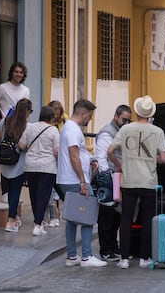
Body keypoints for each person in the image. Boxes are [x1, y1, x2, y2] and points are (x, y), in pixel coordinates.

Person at [107, 95, 165, 269]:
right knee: (148, 220)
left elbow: (109, 151)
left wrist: (120, 165)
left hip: (129, 180)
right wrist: (150, 158)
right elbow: (163, 158)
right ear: (150, 114)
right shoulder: (158, 132)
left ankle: (124, 258)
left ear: (137, 111)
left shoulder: (125, 129)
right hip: (148, 181)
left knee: (126, 219)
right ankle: (144, 257)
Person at [57, 98, 107, 268]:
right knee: (88, 215)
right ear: (83, 113)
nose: (90, 119)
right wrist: (82, 181)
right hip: (75, 180)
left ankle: (72, 256)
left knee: (72, 217)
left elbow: (78, 154)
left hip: (69, 179)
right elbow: (73, 155)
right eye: (90, 115)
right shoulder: (72, 129)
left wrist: (89, 160)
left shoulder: (70, 128)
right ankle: (86, 255)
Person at [95, 104, 132, 261]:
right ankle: (106, 249)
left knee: (116, 214)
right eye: (124, 120)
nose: (126, 123)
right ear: (116, 116)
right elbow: (102, 156)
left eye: (129, 121)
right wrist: (107, 177)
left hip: (118, 177)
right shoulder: (106, 133)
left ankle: (113, 246)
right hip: (109, 177)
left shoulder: (121, 131)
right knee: (107, 213)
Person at [19, 105, 60, 236]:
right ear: (52, 118)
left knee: (34, 194)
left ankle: (38, 222)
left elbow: (22, 145)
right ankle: (38, 224)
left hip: (30, 166)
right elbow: (56, 151)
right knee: (43, 195)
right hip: (47, 167)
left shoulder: (30, 127)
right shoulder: (53, 131)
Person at [0, 98, 31, 232]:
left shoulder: (5, 121)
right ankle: (10, 221)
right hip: (18, 163)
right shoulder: (26, 126)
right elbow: (24, 145)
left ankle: (14, 218)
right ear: (26, 111)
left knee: (10, 192)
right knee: (15, 192)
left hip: (4, 162)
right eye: (30, 111)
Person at [0, 62, 30, 203]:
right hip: (6, 126)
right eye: (16, 72)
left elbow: (26, 107)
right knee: (5, 155)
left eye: (21, 72)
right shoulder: (3, 87)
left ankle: (14, 191)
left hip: (20, 128)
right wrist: (1, 119)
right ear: (11, 72)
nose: (18, 74)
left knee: (18, 159)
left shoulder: (25, 90)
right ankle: (5, 191)